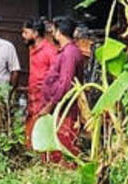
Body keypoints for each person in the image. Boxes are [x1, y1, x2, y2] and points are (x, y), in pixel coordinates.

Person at [38, 17, 84, 161]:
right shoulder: (67, 51)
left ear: (59, 32)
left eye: (54, 30)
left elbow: (65, 83)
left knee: (64, 141)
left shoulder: (69, 53)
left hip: (64, 108)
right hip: (59, 106)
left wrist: (51, 105)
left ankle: (66, 170)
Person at [22, 18, 58, 148]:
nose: (23, 36)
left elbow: (56, 79)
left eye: (26, 32)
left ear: (35, 33)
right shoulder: (31, 48)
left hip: (44, 99)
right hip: (33, 97)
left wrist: (50, 103)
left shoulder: (50, 51)